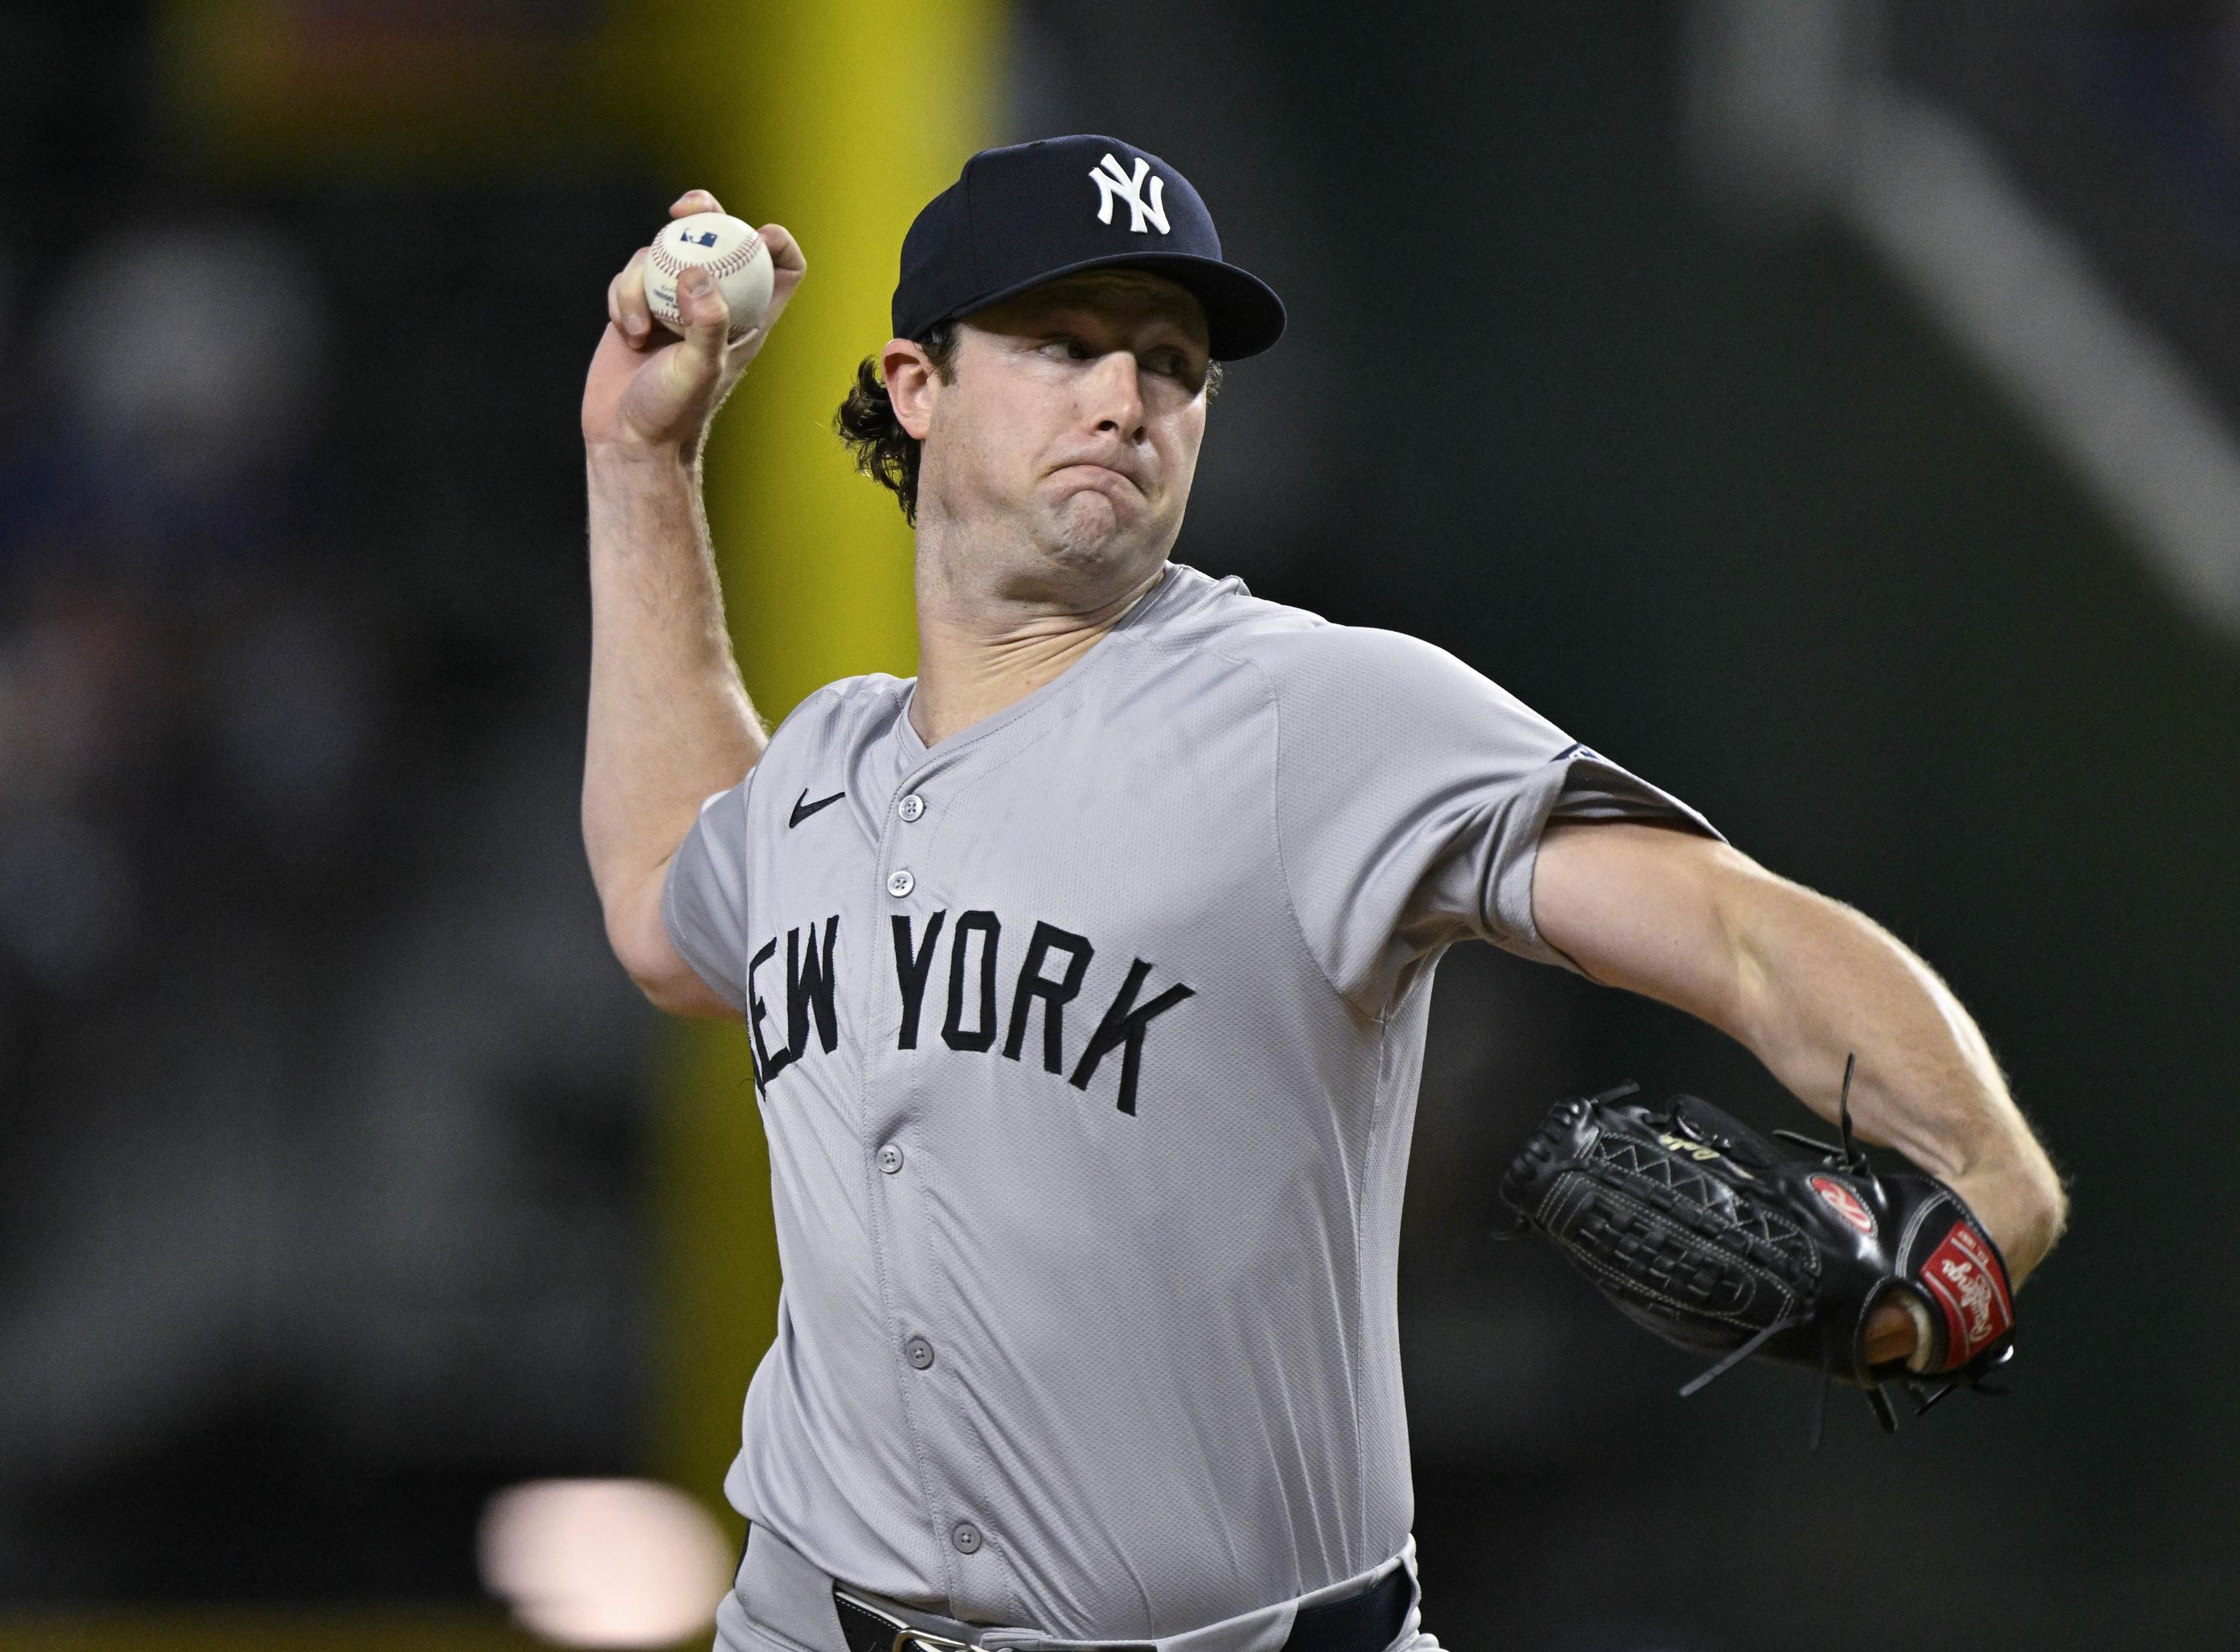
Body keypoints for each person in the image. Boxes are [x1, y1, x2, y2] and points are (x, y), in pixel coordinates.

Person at [578, 135, 2066, 1652]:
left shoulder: (1317, 712)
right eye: (1062, 342)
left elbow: (1739, 931)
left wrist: (1986, 1187)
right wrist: (641, 461)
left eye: (1172, 364)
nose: (1123, 398)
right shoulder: (822, 772)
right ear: (917, 383)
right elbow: (658, 896)